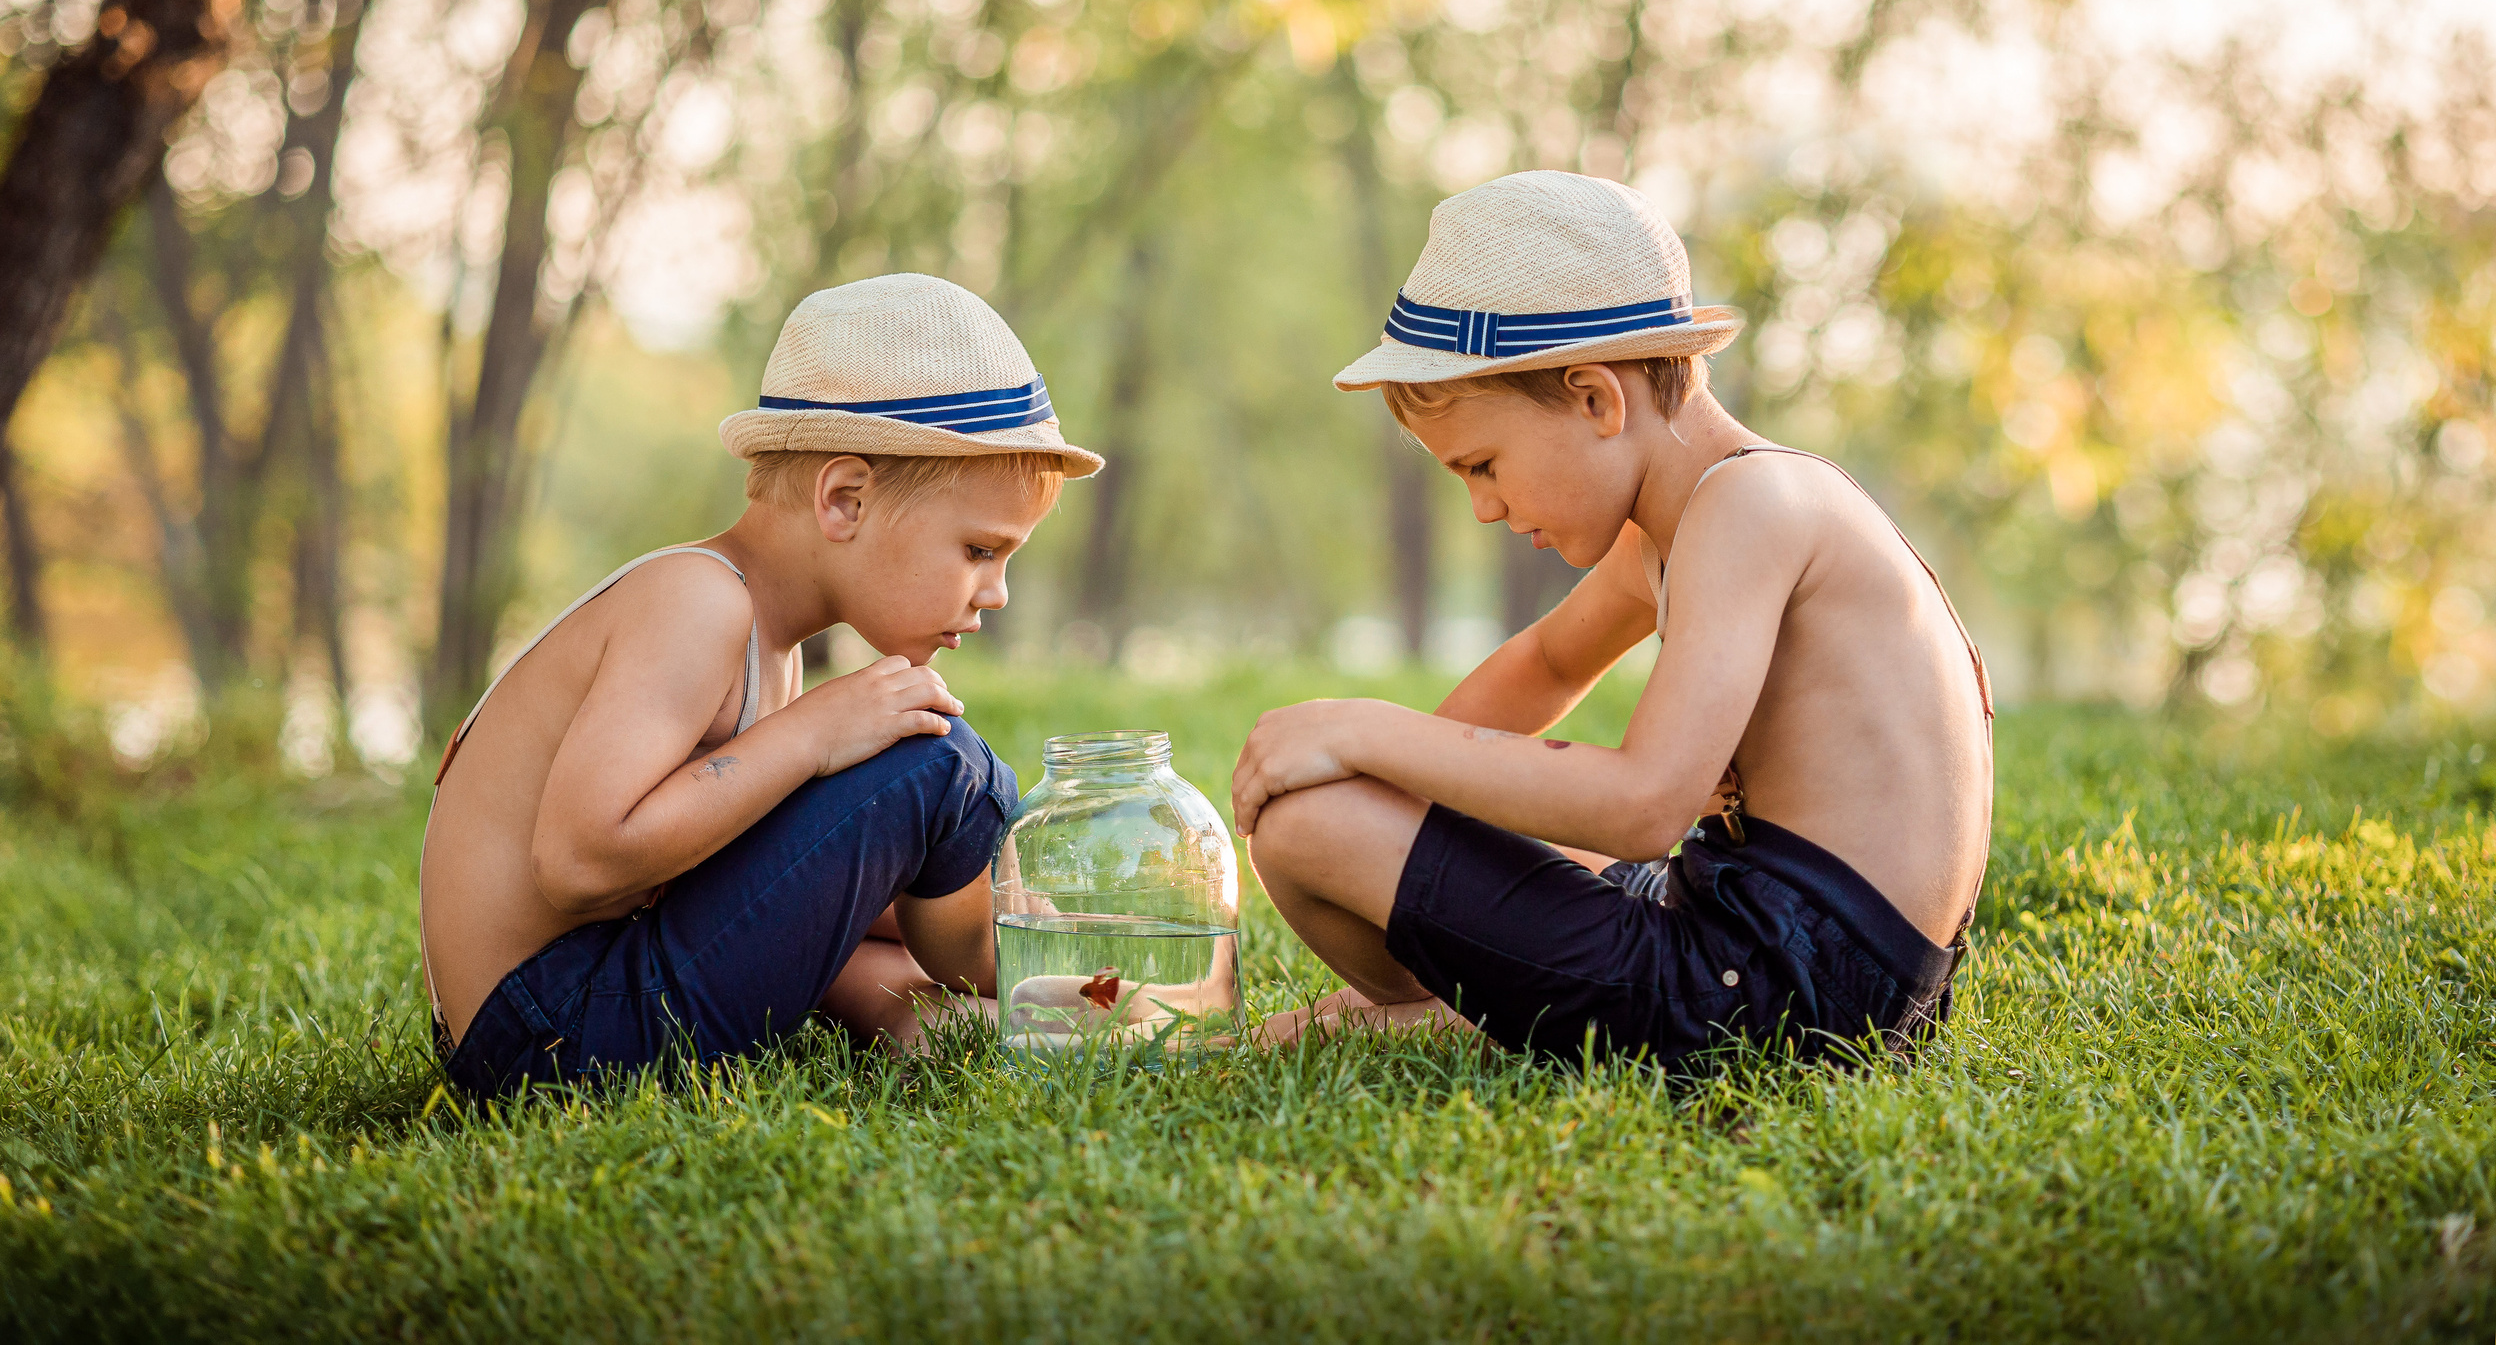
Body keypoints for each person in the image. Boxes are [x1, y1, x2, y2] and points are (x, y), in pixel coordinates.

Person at [1232, 171, 1994, 1070]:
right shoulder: (1700, 515)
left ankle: (1455, 1012)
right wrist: (1399, 808)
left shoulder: (1749, 508)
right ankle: (1476, 1001)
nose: (1483, 506)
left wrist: (1363, 733)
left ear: (1597, 397)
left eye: (1483, 464)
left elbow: (1644, 805)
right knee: (1337, 811)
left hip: (1784, 1000)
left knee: (1309, 828)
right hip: (1761, 939)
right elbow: (1549, 661)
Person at [417, 274, 1100, 1098]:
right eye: (979, 551)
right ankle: (1041, 977)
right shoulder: (699, 604)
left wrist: (890, 868)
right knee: (940, 764)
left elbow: (727, 860)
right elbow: (577, 859)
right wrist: (809, 735)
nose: (995, 592)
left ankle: (926, 1008)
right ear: (844, 499)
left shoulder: (768, 643)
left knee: (885, 874)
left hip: (562, 1012)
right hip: (554, 1032)